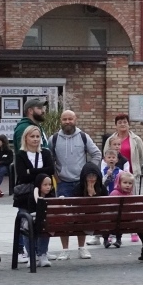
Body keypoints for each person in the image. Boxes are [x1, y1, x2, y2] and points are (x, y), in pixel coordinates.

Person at [50, 110, 101, 259]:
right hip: (63, 183)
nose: (67, 121)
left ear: (75, 119)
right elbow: (48, 158)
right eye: (65, 119)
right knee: (63, 217)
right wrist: (55, 175)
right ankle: (65, 249)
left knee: (81, 216)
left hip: (80, 183)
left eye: (70, 119)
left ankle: (81, 247)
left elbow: (97, 154)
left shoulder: (84, 137)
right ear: (61, 120)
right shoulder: (54, 139)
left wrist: (90, 172)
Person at [12, 126, 55, 266]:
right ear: (26, 138)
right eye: (32, 136)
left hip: (44, 194)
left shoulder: (46, 153)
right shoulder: (20, 155)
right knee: (27, 225)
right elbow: (23, 175)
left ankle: (42, 254)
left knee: (44, 224)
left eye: (38, 136)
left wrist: (32, 171)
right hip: (26, 196)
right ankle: (31, 255)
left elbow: (50, 171)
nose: (36, 139)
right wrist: (39, 174)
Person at [103, 113, 143, 191]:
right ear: (116, 125)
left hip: (131, 176)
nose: (122, 124)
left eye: (125, 122)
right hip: (112, 175)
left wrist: (135, 169)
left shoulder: (136, 139)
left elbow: (141, 157)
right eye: (120, 122)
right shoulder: (110, 140)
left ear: (129, 124)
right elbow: (106, 155)